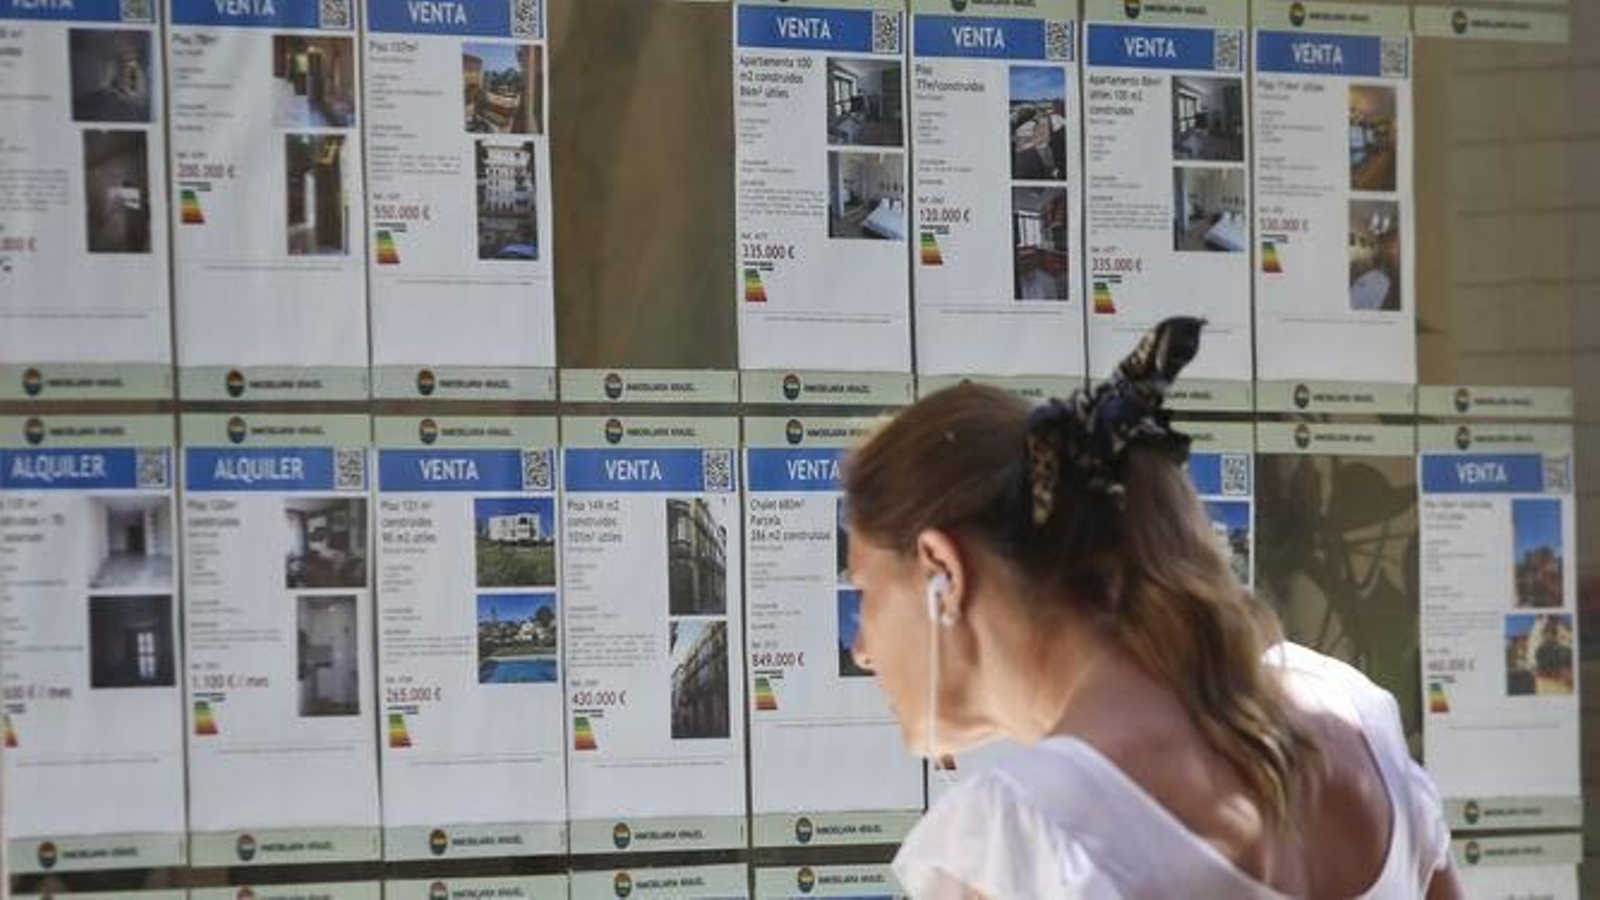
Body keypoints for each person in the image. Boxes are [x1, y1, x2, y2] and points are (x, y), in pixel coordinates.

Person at [842, 318, 1460, 898]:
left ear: (942, 571)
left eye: (864, 589)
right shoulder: (1353, 718)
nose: (861, 649)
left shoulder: (1028, 833)